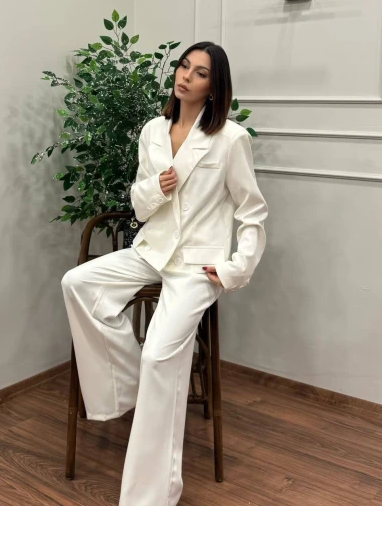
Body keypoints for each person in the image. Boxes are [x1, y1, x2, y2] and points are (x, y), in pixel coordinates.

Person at [61, 41, 268, 507]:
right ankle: (129, 387)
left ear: (214, 87)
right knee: (77, 283)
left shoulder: (231, 138)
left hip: (197, 264)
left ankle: (151, 501)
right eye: (183, 66)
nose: (185, 76)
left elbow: (252, 212)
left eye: (200, 73)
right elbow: (139, 204)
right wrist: (156, 186)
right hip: (151, 250)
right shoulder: (153, 130)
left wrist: (235, 268)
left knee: (159, 357)